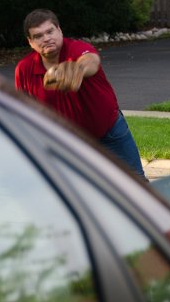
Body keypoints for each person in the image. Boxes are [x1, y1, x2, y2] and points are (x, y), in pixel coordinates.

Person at [15, 9, 146, 179]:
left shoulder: (77, 49)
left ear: (59, 30)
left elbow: (91, 60)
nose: (46, 38)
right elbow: (24, 111)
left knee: (137, 186)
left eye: (50, 31)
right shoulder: (25, 69)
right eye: (39, 36)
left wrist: (77, 69)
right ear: (30, 42)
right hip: (68, 145)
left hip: (109, 133)